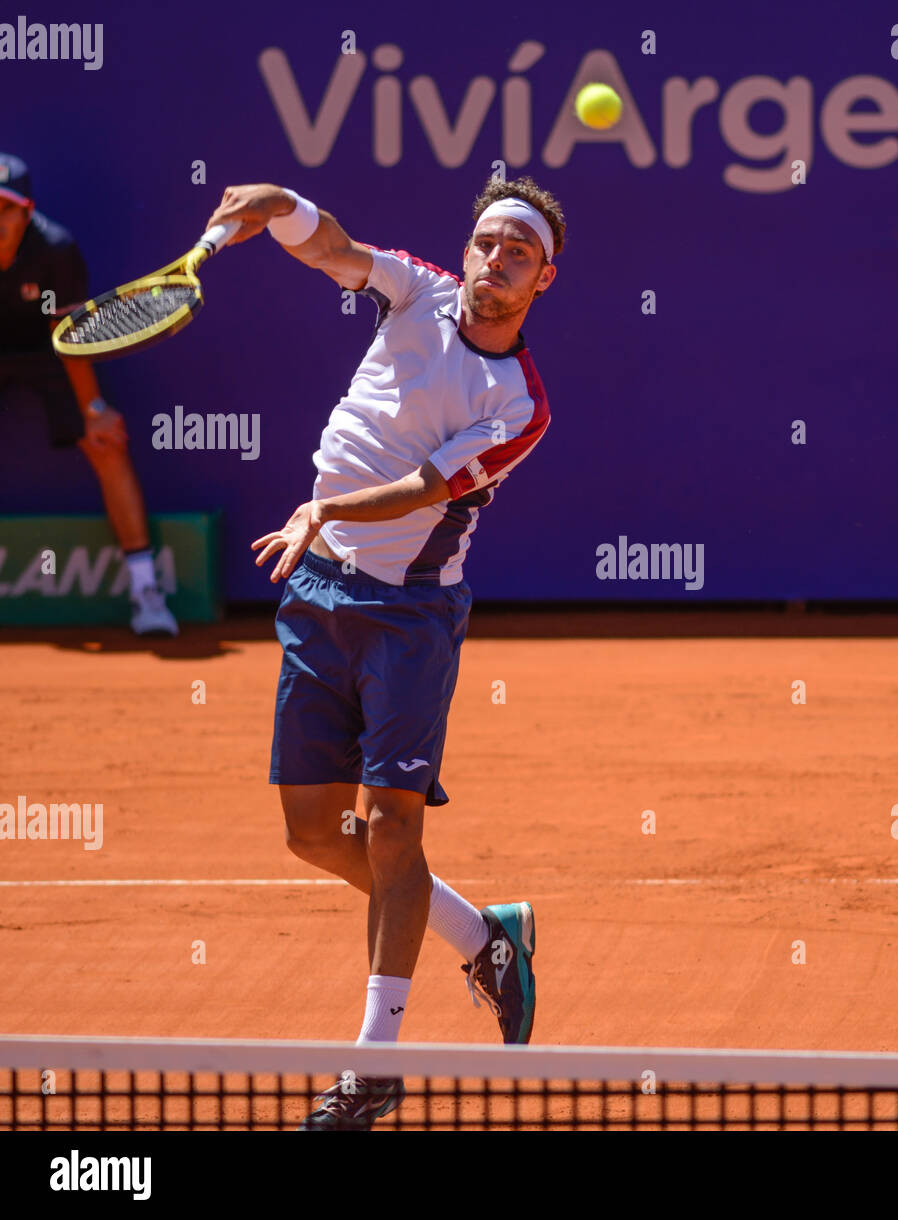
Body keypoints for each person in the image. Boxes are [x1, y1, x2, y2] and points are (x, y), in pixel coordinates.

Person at [204, 175, 562, 1131]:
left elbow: (419, 488)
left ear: (543, 280)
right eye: (487, 242)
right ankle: (484, 937)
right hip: (316, 594)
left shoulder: (519, 402)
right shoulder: (415, 290)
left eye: (517, 253)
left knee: (391, 831)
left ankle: (374, 1065)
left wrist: (321, 508)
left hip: (409, 618)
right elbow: (335, 249)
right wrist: (277, 205)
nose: (495, 260)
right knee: (313, 832)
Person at [0, 153, 178, 636]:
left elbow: (72, 335)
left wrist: (93, 411)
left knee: (106, 441)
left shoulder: (55, 249)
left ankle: (145, 591)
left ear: (27, 210)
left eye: (5, 209)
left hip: (49, 350)